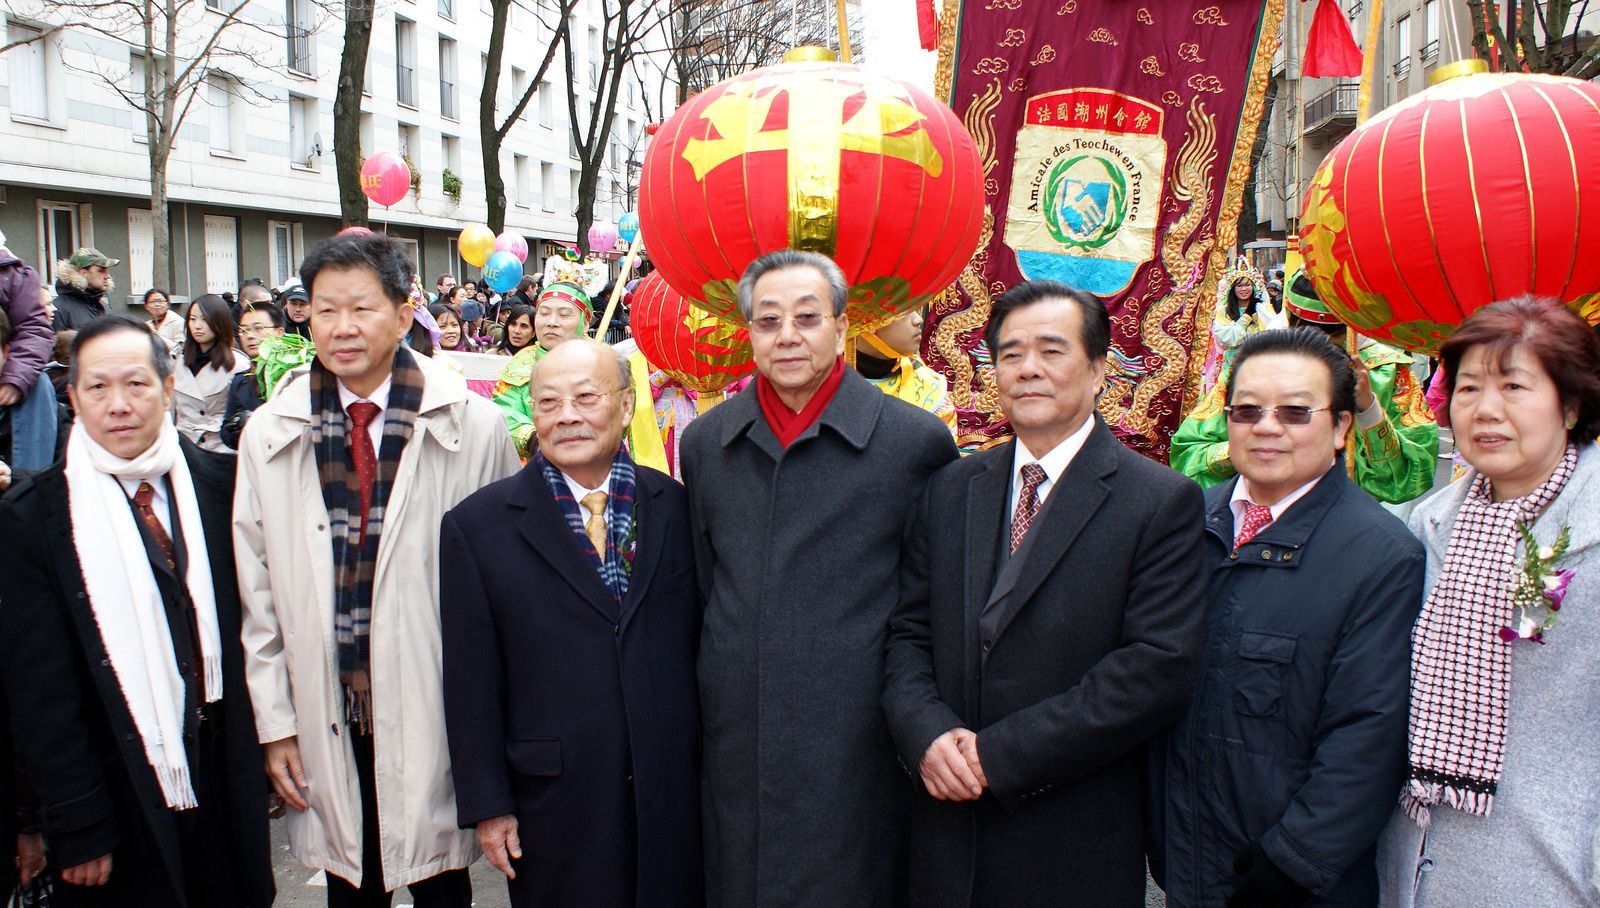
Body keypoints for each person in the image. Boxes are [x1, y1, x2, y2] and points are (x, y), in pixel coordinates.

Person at [882, 279, 1206, 907]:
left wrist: (997, 757)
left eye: (1052, 351)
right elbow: (907, 632)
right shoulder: (952, 487)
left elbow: (1155, 670)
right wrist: (924, 732)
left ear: (1100, 370)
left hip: (1070, 834)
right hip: (945, 835)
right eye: (1009, 353)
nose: (1028, 368)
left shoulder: (1157, 501)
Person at [234, 232, 519, 907]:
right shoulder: (271, 431)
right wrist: (274, 722)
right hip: (327, 698)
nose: (342, 327)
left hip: (436, 700)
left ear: (402, 310)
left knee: (444, 882)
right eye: (325, 310)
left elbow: (507, 584)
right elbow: (259, 594)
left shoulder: (471, 425)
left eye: (361, 308)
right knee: (348, 883)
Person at [682, 250, 957, 907]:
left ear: (841, 326)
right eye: (768, 320)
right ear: (747, 332)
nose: (787, 336)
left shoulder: (912, 442)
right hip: (736, 739)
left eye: (808, 318)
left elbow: (932, 602)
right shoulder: (706, 443)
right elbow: (699, 587)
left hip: (857, 738)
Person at [0, 315, 274, 907]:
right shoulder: (36, 517)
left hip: (223, 778)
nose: (118, 405)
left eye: (137, 385)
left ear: (168, 388)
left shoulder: (223, 487)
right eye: (97, 388)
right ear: (72, 397)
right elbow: (38, 691)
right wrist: (77, 824)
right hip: (117, 793)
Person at [1149, 327, 1426, 907]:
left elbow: (1368, 736)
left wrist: (1295, 861)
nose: (1267, 427)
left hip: (1291, 883)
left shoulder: (1380, 554)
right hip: (1185, 859)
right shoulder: (1183, 525)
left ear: (1341, 426)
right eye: (1247, 410)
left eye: (1296, 412)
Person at [441, 339, 703, 907]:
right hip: (554, 800)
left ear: (626, 405)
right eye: (549, 402)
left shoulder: (679, 509)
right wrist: (490, 805)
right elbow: (470, 681)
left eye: (587, 397)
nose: (567, 416)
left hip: (671, 792)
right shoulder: (477, 527)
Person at [1376, 298, 1600, 908]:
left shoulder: (1589, 530)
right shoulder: (1427, 526)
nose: (1486, 409)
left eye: (1514, 386)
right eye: (1468, 387)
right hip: (1417, 856)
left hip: (1555, 869)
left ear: (1572, 404)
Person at [1172, 270, 1439, 505]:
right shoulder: (1254, 367)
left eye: (1333, 334)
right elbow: (1189, 455)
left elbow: (1410, 477)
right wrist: (1249, 448)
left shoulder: (1386, 371)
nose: (1318, 348)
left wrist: (1369, 410)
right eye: (1308, 331)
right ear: (1290, 319)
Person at [493, 284, 592, 455]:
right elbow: (503, 412)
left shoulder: (607, 363)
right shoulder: (520, 363)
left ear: (584, 324)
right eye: (544, 313)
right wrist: (533, 439)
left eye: (564, 315)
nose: (551, 322)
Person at [852, 305, 958, 435]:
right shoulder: (823, 384)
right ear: (869, 321)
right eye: (904, 311)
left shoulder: (931, 391)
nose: (918, 319)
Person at [0, 236, 57, 472]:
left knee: (38, 385)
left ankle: (29, 484)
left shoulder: (14, 275)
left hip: (6, 371)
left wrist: (16, 379)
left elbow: (33, 329)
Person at [172, 293, 248, 453]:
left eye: (204, 319)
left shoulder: (237, 364)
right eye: (192, 319)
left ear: (219, 322)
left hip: (220, 448)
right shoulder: (176, 362)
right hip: (184, 446)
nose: (197, 326)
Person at [220, 301, 290, 448]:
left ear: (279, 332)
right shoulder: (240, 381)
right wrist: (237, 426)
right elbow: (226, 434)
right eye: (244, 330)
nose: (250, 336)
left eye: (258, 328)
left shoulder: (294, 375)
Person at [52, 247, 119, 331]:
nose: (107, 276)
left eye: (106, 271)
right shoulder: (59, 309)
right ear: (84, 273)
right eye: (101, 271)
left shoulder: (104, 307)